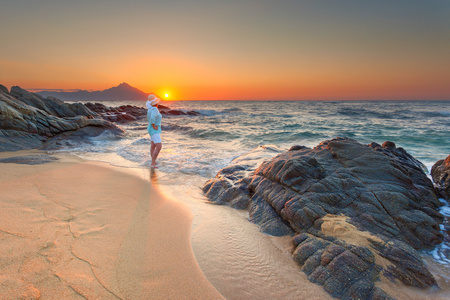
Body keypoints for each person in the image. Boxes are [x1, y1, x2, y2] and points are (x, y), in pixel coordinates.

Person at [146, 94, 162, 168]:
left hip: (150, 129)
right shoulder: (155, 109)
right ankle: (153, 163)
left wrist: (152, 126)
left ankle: (153, 161)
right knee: (159, 146)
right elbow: (152, 118)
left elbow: (150, 118)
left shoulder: (150, 109)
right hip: (154, 129)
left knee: (153, 146)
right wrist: (154, 126)